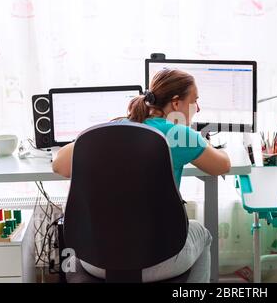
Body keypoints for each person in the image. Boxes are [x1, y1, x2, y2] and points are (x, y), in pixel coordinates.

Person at [52, 69, 231, 282]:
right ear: (176, 104)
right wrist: (204, 141)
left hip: (96, 261)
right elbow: (223, 165)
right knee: (203, 233)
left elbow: (60, 166)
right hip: (161, 259)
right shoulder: (179, 134)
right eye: (194, 101)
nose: (198, 108)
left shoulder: (114, 126)